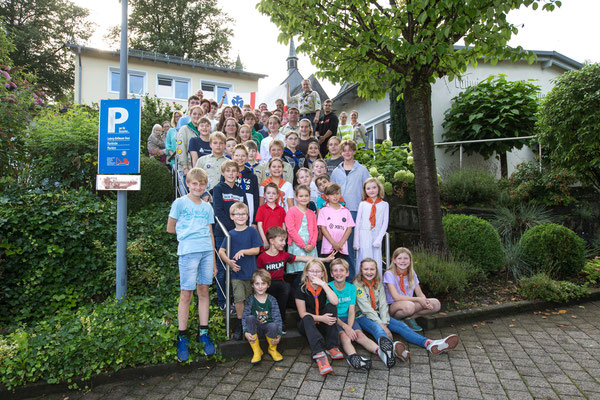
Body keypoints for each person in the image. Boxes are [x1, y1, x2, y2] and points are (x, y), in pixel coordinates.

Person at [355, 258, 459, 357]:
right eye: (366, 269)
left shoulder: (378, 284)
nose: (369, 272)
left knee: (402, 326)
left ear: (376, 270)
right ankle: (391, 350)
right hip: (362, 316)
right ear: (361, 270)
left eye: (372, 269)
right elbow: (366, 309)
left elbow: (382, 305)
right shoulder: (357, 285)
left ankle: (429, 343)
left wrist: (385, 321)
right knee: (378, 329)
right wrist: (382, 325)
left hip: (377, 314)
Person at [167, 168, 217, 362]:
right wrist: (187, 236)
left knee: (203, 291)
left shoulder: (207, 207)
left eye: (202, 184)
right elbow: (171, 228)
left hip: (206, 251)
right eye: (194, 183)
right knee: (186, 293)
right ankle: (182, 336)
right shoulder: (180, 203)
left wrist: (213, 261)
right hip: (188, 252)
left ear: (205, 186)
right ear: (188, 184)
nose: (198, 187)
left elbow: (211, 233)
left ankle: (203, 334)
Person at [257, 226, 334, 332]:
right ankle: (280, 322)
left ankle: (310, 322)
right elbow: (259, 276)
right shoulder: (262, 257)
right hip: (268, 287)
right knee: (285, 286)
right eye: (281, 240)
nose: (284, 243)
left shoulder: (283, 255)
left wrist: (324, 259)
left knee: (297, 296)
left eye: (285, 240)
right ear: (271, 241)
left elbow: (304, 259)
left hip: (281, 289)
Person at [329, 258, 396, 370]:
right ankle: (353, 357)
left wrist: (350, 327)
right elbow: (332, 312)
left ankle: (382, 353)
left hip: (350, 318)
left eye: (342, 270)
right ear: (331, 273)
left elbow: (351, 311)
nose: (339, 273)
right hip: (336, 319)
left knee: (360, 335)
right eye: (335, 270)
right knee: (345, 337)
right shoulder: (329, 287)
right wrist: (346, 328)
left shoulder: (351, 288)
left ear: (347, 272)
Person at [218, 202, 262, 341]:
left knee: (250, 299)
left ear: (247, 215)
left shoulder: (252, 231)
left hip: (250, 273)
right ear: (232, 216)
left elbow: (257, 249)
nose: (241, 216)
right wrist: (229, 262)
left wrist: (243, 251)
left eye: (243, 214)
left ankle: (250, 324)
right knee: (238, 299)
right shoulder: (230, 234)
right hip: (236, 274)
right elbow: (221, 251)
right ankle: (239, 324)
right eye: (237, 214)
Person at [295, 260, 342, 376]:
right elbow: (302, 313)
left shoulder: (324, 286)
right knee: (307, 318)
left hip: (321, 323)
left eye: (318, 272)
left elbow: (335, 301)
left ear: (323, 274)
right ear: (306, 273)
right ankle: (319, 354)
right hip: (307, 325)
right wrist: (322, 318)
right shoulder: (301, 289)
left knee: (331, 307)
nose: (315, 274)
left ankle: (332, 346)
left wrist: (324, 285)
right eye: (312, 271)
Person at [331, 140, 370, 279]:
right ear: (341, 152)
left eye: (349, 150)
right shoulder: (336, 171)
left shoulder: (362, 170)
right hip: (338, 212)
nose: (347, 153)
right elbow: (332, 191)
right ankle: (340, 277)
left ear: (353, 151)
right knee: (340, 245)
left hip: (354, 211)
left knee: (351, 245)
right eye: (344, 150)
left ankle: (353, 278)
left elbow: (368, 189)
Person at [213, 160, 248, 309]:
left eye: (234, 171)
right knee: (222, 270)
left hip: (239, 235)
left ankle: (236, 301)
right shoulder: (218, 188)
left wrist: (243, 230)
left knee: (237, 267)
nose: (231, 174)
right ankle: (223, 302)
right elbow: (218, 213)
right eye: (228, 171)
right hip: (223, 234)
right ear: (223, 173)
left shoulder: (241, 191)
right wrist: (232, 230)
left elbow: (246, 212)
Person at [385, 247, 442, 332]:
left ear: (410, 261)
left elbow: (419, 292)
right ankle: (396, 321)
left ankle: (409, 318)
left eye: (406, 258)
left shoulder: (412, 274)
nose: (403, 261)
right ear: (394, 260)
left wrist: (425, 301)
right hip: (394, 306)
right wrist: (419, 300)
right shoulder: (389, 274)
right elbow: (396, 297)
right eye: (399, 258)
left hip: (409, 304)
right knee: (409, 306)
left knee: (436, 304)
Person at [242, 270, 284, 364]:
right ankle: (257, 351)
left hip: (269, 330)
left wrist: (279, 334)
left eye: (263, 283)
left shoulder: (272, 300)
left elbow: (277, 318)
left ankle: (272, 349)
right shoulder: (250, 300)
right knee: (250, 318)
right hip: (254, 330)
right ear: (252, 285)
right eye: (257, 284)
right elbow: (245, 317)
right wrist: (245, 332)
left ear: (268, 285)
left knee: (273, 325)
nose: (260, 287)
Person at [354, 178, 389, 278]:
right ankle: (360, 285)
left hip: (376, 234)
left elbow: (384, 223)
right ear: (365, 190)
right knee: (363, 258)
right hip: (364, 235)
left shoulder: (384, 205)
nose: (371, 190)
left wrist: (379, 239)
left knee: (376, 259)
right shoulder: (363, 204)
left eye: (374, 187)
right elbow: (358, 223)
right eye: (368, 188)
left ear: (379, 188)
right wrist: (356, 241)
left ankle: (376, 285)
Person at [285, 185, 319, 287]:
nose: (304, 198)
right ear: (296, 197)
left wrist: (312, 244)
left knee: (312, 271)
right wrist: (303, 245)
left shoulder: (311, 213)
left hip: (310, 247)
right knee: (299, 274)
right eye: (301, 196)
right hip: (297, 246)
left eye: (306, 196)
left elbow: (315, 230)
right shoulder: (292, 211)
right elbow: (290, 229)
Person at [317, 183, 355, 273]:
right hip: (328, 248)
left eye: (337, 193)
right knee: (328, 272)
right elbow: (323, 228)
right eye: (332, 194)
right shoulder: (323, 211)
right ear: (326, 196)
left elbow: (349, 229)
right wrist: (333, 243)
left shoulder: (346, 211)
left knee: (340, 270)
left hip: (342, 248)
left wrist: (340, 244)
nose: (335, 196)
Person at [230, 144, 259, 225]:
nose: (240, 158)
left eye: (243, 155)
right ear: (232, 157)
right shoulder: (228, 175)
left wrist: (254, 222)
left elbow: (256, 199)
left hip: (248, 210)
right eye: (237, 155)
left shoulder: (252, 176)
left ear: (247, 158)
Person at [255, 182, 286, 250]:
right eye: (268, 193)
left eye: (274, 193)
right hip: (266, 242)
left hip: (278, 242)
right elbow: (259, 226)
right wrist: (264, 241)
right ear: (264, 195)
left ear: (277, 196)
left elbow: (283, 226)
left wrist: (282, 239)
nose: (271, 195)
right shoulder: (261, 209)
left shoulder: (281, 210)